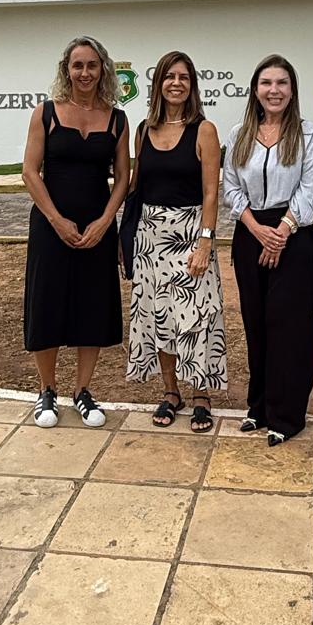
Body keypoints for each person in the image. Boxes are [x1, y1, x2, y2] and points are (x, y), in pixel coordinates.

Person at [22, 35, 129, 428]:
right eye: (78, 65)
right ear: (66, 70)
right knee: (47, 303)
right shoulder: (46, 113)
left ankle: (83, 391)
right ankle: (46, 390)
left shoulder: (117, 119)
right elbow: (29, 172)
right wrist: (56, 219)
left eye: (92, 65)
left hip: (97, 229)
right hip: (51, 226)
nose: (85, 73)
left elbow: (123, 178)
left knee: (92, 306)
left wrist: (105, 221)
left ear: (103, 69)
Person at [223, 55, 313, 446]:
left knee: (291, 329)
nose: (274, 90)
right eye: (266, 83)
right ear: (255, 90)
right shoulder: (240, 135)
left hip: (294, 237)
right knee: (257, 324)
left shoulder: (309, 135)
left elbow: (312, 189)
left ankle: (287, 415)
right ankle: (260, 408)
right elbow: (231, 186)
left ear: (292, 90)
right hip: (250, 234)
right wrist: (256, 229)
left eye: (282, 83)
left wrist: (281, 232)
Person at [126, 50, 226, 431]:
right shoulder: (143, 131)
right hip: (150, 238)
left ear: (192, 85)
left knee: (197, 316)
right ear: (158, 84)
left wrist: (206, 242)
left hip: (190, 235)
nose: (176, 83)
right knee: (159, 316)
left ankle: (201, 394)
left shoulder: (204, 130)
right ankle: (171, 392)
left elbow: (211, 193)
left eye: (184, 77)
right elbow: (135, 186)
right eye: (169, 76)